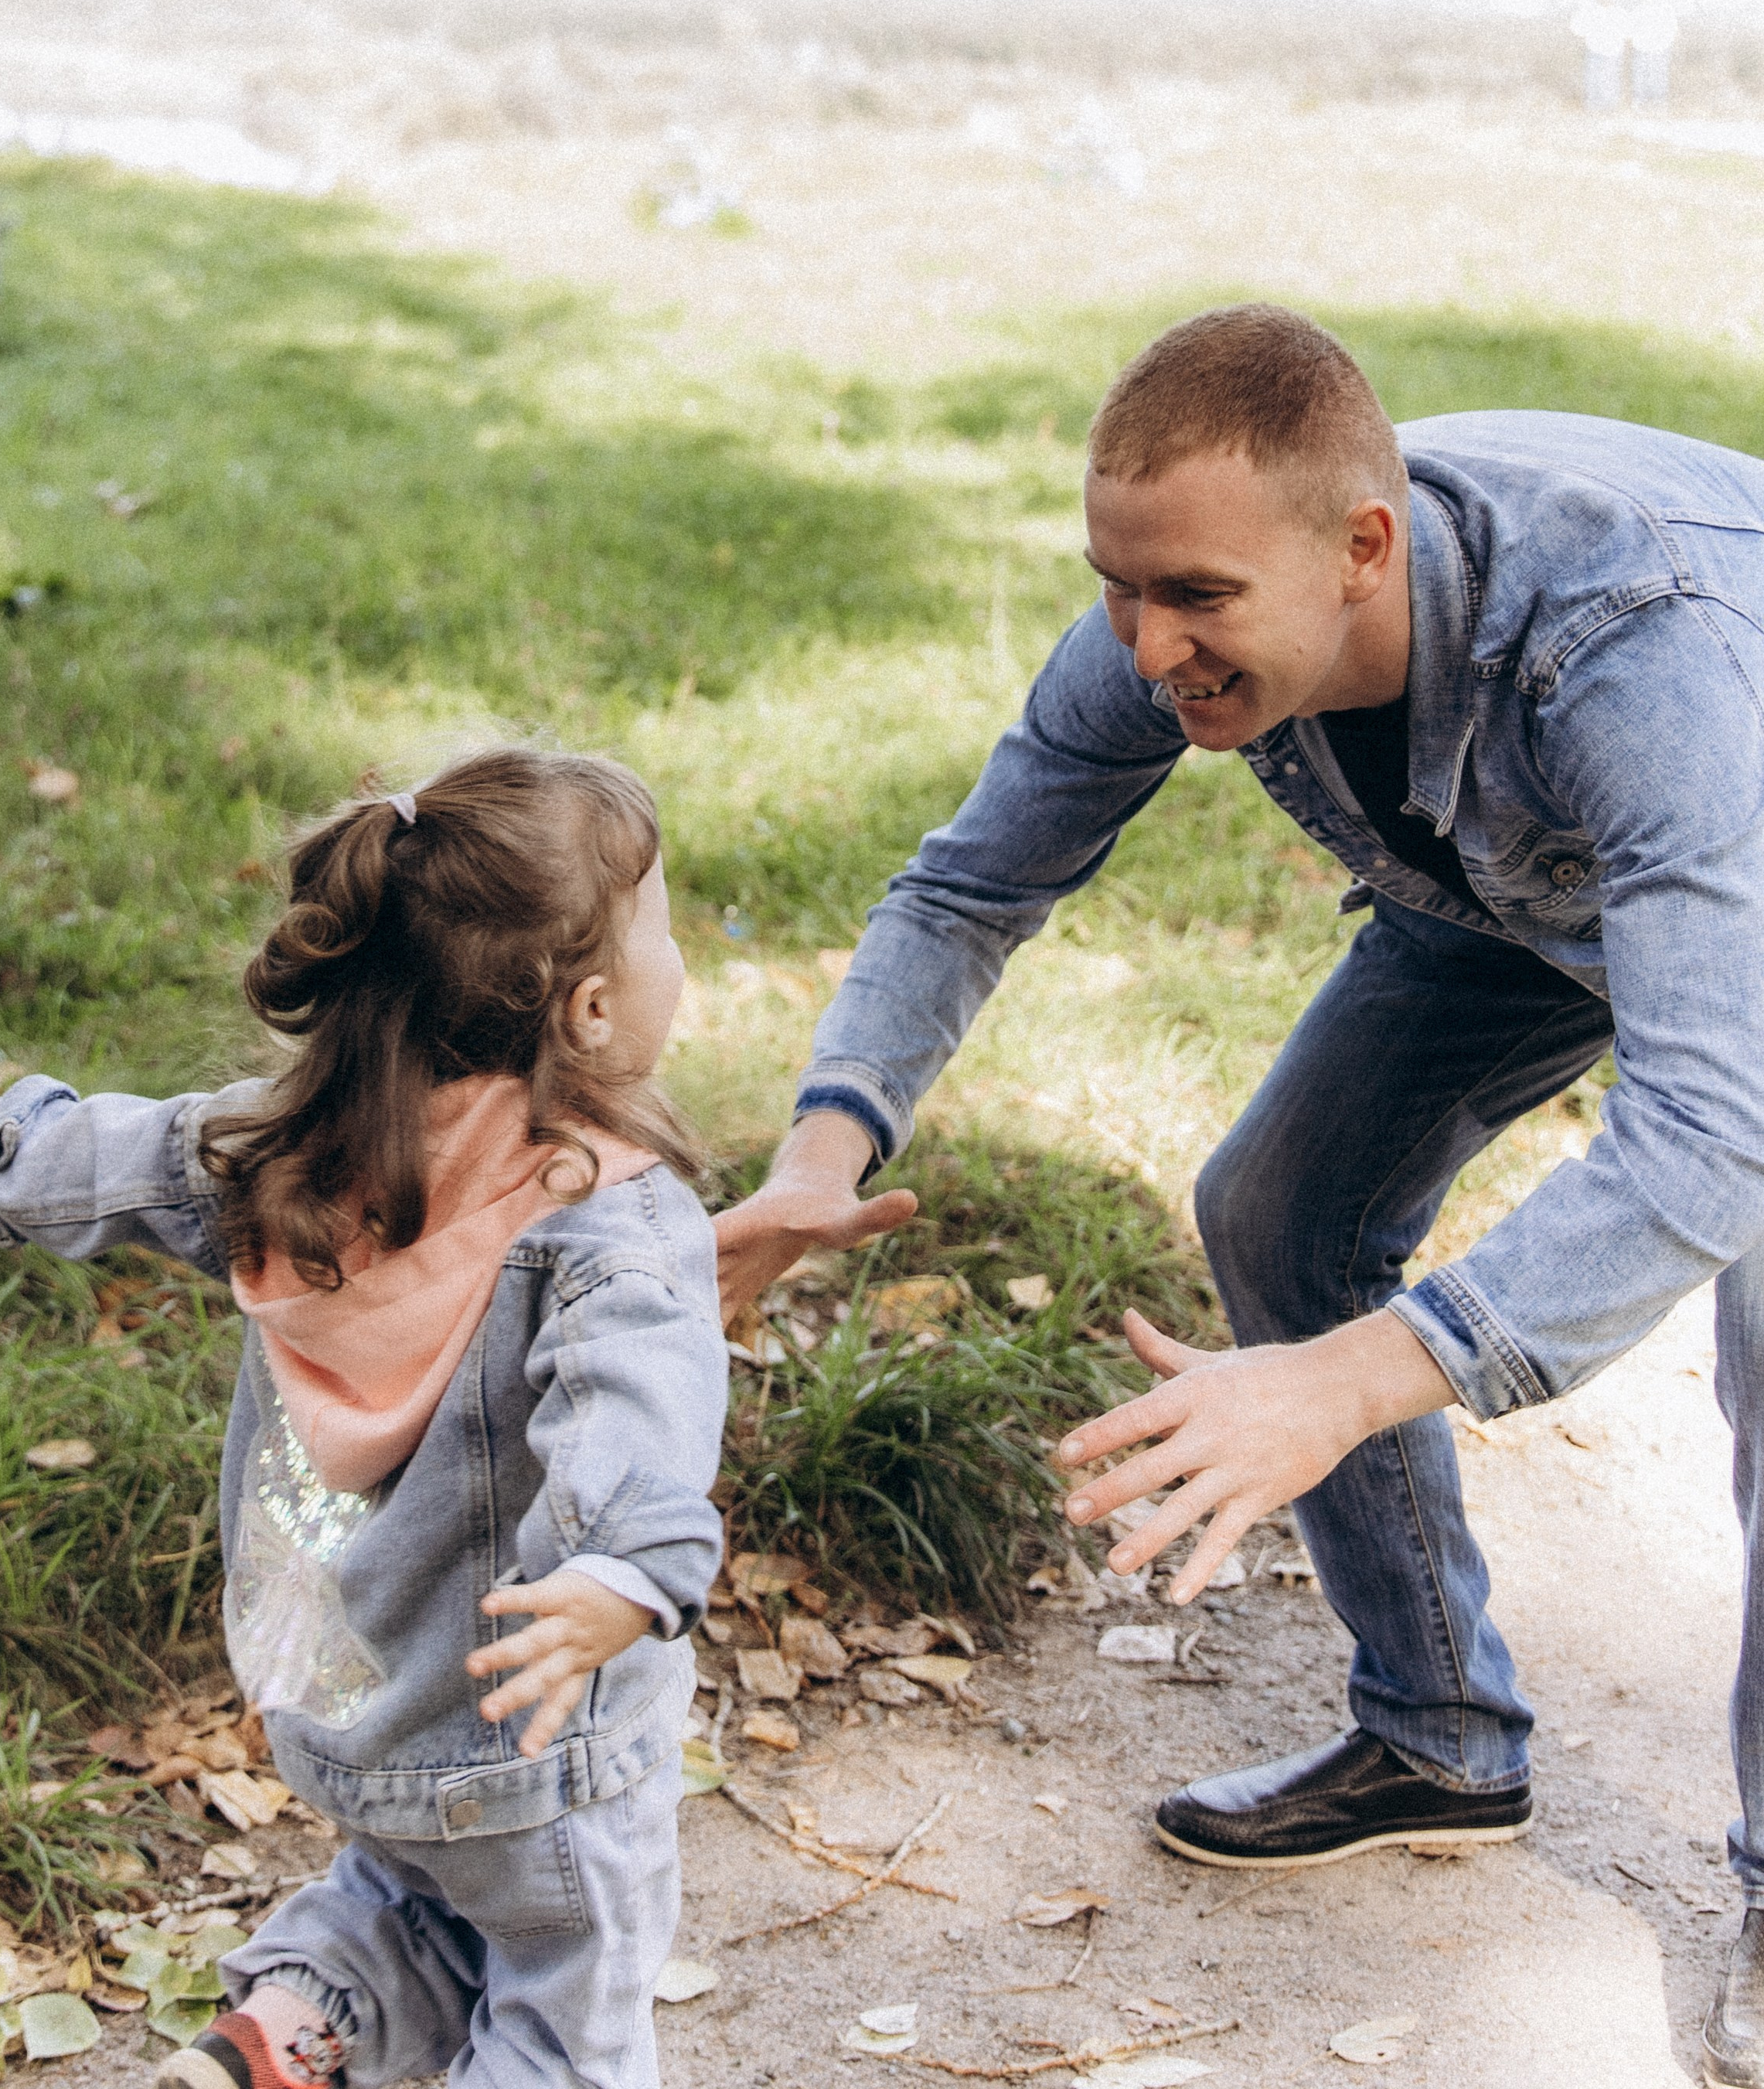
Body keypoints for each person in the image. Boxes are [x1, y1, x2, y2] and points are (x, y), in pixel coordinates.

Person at [710, 302, 1764, 2089]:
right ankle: (1437, 1736)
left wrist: (1352, 1378)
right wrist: (825, 1150)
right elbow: (971, 885)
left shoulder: (1631, 652)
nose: (1147, 644)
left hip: (1729, 867)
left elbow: (1709, 1133)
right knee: (1281, 1206)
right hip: (1513, 887)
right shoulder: (1175, 621)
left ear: (1364, 548)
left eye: (1194, 597)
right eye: (1119, 589)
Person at [0, 748, 726, 2089]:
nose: (681, 952)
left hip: (348, 1712)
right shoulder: (608, 1214)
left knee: (414, 1893)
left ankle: (285, 2037)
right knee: (566, 2003)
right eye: (666, 924)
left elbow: (127, 1156)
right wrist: (624, 1568)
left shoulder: (291, 1150)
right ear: (594, 1010)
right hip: (541, 1749)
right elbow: (634, 1407)